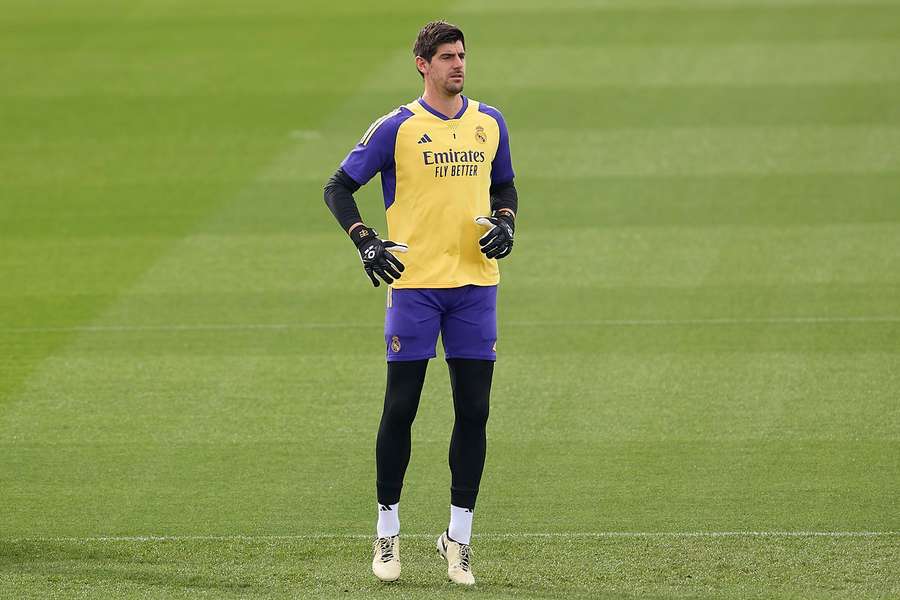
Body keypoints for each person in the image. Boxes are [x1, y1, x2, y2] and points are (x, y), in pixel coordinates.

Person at [322, 20, 518, 586]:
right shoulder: (398, 128)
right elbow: (338, 186)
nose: (459, 65)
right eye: (447, 57)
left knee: (474, 413)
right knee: (400, 409)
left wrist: (506, 222)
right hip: (414, 287)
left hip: (476, 287)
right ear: (422, 64)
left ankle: (459, 539)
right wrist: (365, 241)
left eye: (462, 55)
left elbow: (504, 186)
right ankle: (387, 535)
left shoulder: (490, 123)